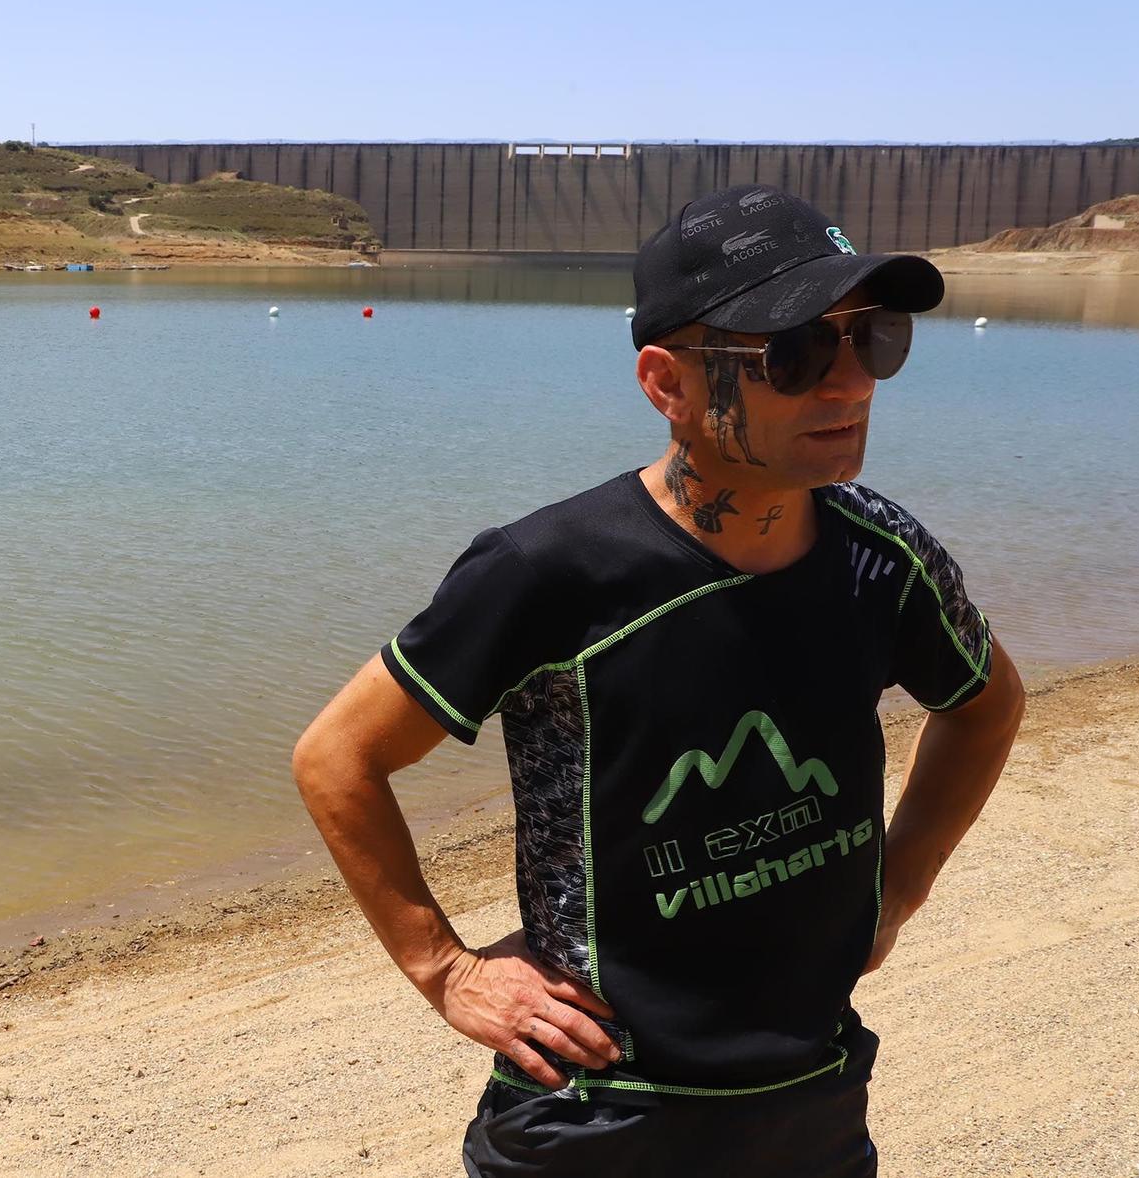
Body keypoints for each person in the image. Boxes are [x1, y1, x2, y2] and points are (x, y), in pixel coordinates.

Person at [292, 184, 1026, 1177]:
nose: (851, 383)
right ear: (665, 382)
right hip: (600, 1114)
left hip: (810, 1102)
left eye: (872, 338)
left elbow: (984, 705)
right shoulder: (549, 571)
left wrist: (899, 885)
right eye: (795, 352)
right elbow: (338, 757)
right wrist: (444, 967)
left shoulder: (880, 554)